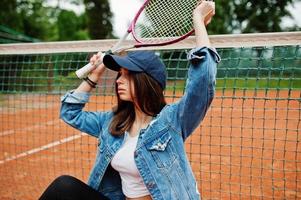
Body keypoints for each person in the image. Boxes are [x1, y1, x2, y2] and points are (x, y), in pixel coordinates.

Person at [39, 1, 220, 200]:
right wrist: (94, 76)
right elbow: (69, 113)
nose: (119, 80)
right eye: (120, 74)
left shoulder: (172, 121)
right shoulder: (112, 122)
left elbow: (203, 80)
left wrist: (198, 21)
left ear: (146, 81)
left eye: (128, 75)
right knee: (63, 187)